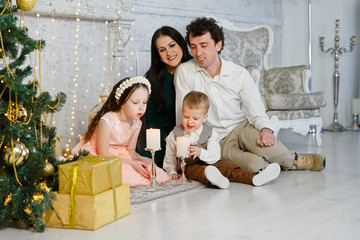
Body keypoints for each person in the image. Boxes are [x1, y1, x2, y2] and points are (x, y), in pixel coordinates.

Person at [174, 17, 326, 172]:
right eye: (193, 47)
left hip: (242, 127)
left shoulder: (239, 73)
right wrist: (184, 149)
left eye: (203, 45)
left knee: (268, 147)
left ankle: (297, 160)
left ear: (218, 45)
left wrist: (266, 131)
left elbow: (256, 112)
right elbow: (182, 115)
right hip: (216, 139)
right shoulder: (185, 72)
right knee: (256, 166)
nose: (198, 52)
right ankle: (284, 159)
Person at [163, 91, 281, 189]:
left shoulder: (210, 133)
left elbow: (215, 155)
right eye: (186, 117)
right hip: (190, 165)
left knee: (229, 168)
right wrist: (172, 171)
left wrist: (201, 153)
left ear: (204, 118)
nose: (190, 121)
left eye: (195, 118)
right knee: (199, 172)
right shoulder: (175, 134)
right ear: (182, 113)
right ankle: (216, 180)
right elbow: (170, 155)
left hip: (212, 160)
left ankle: (254, 177)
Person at [72, 76, 170, 186]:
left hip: (122, 156)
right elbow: (103, 153)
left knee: (149, 169)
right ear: (120, 102)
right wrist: (131, 164)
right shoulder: (107, 120)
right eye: (135, 102)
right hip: (103, 157)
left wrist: (143, 160)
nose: (141, 107)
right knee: (123, 172)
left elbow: (131, 151)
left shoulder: (137, 122)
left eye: (145, 102)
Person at [137, 26, 193, 168]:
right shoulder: (153, 77)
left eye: (172, 45)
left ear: (181, 44)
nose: (169, 53)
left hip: (191, 130)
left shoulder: (195, 68)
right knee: (146, 161)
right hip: (161, 134)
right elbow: (148, 116)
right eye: (162, 50)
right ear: (158, 55)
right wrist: (165, 138)